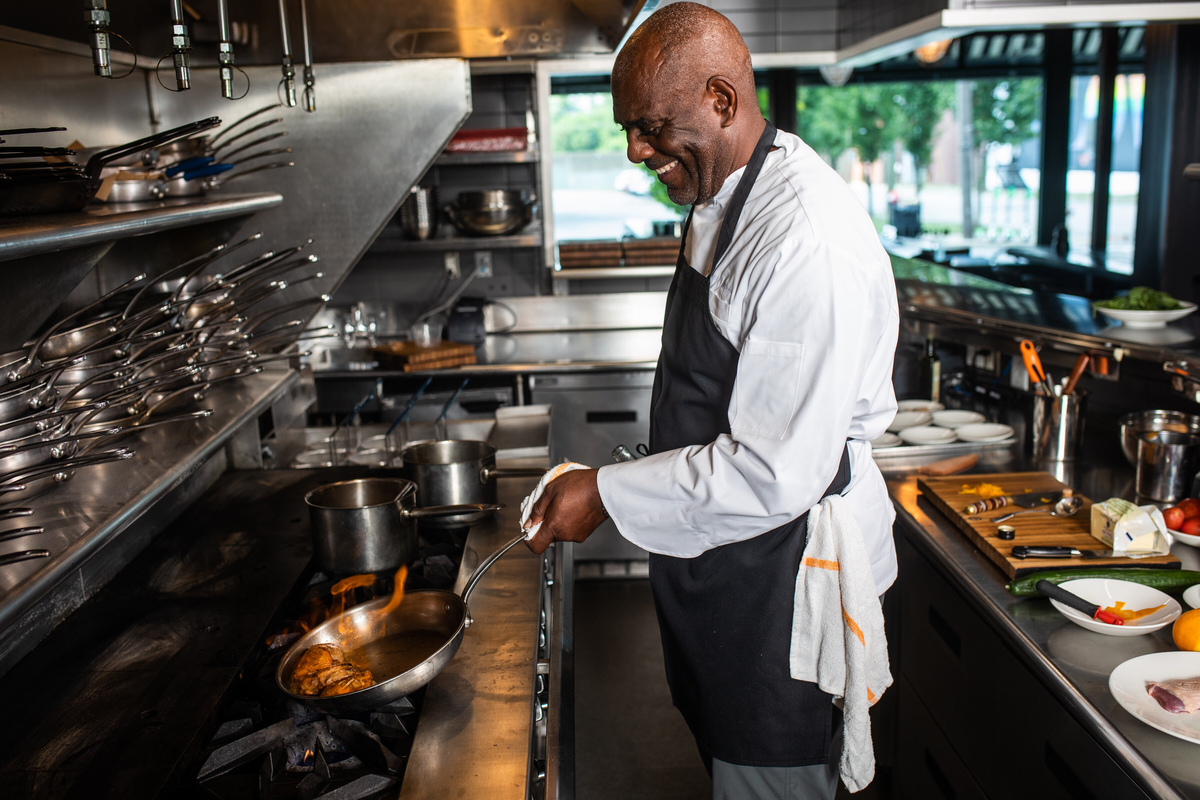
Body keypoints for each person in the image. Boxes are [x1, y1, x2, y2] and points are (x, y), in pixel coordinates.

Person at [524, 3, 899, 796]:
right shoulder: (726, 196)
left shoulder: (802, 238)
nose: (634, 151)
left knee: (769, 774)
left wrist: (607, 493)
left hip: (779, 583)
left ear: (722, 101)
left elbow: (770, 473)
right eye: (628, 128)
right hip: (725, 572)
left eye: (652, 126)